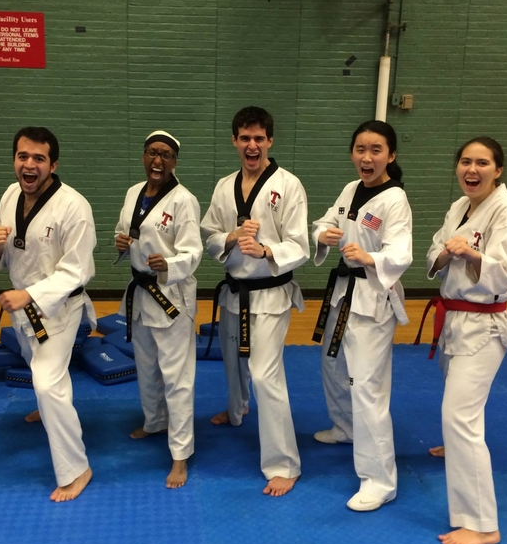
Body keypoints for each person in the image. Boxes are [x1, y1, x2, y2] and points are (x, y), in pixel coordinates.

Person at [418, 137, 507, 544]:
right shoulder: (458, 208)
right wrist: (449, 254)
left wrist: (471, 254)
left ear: (498, 170)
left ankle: (483, 524)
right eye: (465, 161)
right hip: (455, 318)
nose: (472, 169)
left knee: (459, 415)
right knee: (462, 411)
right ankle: (456, 448)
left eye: (482, 163)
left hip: (484, 324)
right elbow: (435, 250)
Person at [200, 106, 308, 497]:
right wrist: (229, 238)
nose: (252, 145)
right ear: (234, 141)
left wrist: (265, 251)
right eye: (244, 138)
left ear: (270, 141)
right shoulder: (224, 185)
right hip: (234, 291)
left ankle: (284, 463)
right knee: (232, 364)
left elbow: (300, 245)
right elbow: (209, 232)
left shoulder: (289, 185)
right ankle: (236, 410)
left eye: (259, 138)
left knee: (264, 373)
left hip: (270, 293)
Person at [0, 127, 96, 502]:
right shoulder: (9, 195)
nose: (29, 165)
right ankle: (45, 412)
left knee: (49, 382)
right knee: (34, 363)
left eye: (38, 158)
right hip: (22, 308)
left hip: (59, 308)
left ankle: (76, 469)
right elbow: (13, 250)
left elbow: (77, 270)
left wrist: (30, 295)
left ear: (53, 164)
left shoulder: (73, 207)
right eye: (22, 156)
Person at [310, 120, 412, 512]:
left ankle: (379, 479)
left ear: (390, 155)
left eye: (375, 150)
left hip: (371, 297)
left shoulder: (394, 200)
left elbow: (401, 251)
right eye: (360, 149)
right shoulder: (352, 189)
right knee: (333, 365)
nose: (366, 158)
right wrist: (322, 234)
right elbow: (327, 220)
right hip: (343, 293)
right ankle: (345, 427)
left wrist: (373, 257)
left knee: (367, 388)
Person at [114, 131, 202, 489]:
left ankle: (180, 455)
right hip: (140, 294)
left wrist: (168, 263)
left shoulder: (184, 201)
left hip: (170, 298)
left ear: (174, 161)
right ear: (143, 156)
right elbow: (125, 233)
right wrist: (120, 243)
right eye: (152, 153)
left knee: (177, 379)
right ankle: (154, 422)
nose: (157, 160)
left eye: (165, 155)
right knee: (146, 367)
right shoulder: (133, 193)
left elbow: (192, 252)